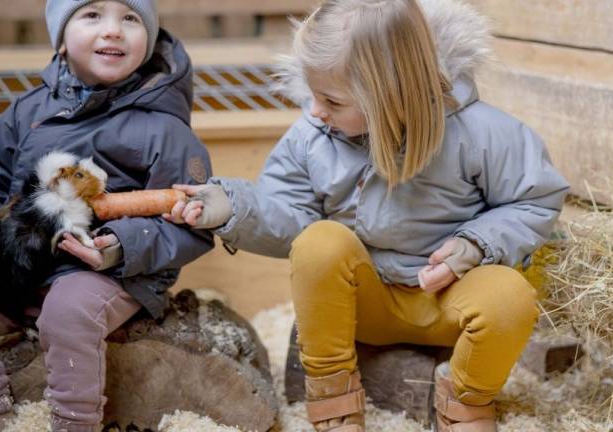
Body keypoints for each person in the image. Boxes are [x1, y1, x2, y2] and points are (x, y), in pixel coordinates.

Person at [165, 0, 569, 431]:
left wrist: (473, 245)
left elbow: (534, 200)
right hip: (362, 302)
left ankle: (466, 401)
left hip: (448, 300)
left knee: (510, 294)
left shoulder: (483, 133)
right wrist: (236, 207)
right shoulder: (313, 135)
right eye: (313, 93)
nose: (315, 109)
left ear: (391, 93)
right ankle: (334, 394)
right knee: (321, 241)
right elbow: (289, 216)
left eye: (331, 100)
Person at [0, 1, 214, 431]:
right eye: (92, 15)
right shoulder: (28, 113)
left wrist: (120, 247)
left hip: (110, 277)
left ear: (150, 39)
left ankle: (73, 422)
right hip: (18, 270)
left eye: (131, 18)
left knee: (68, 307)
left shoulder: (164, 128)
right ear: (60, 40)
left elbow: (192, 222)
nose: (113, 30)